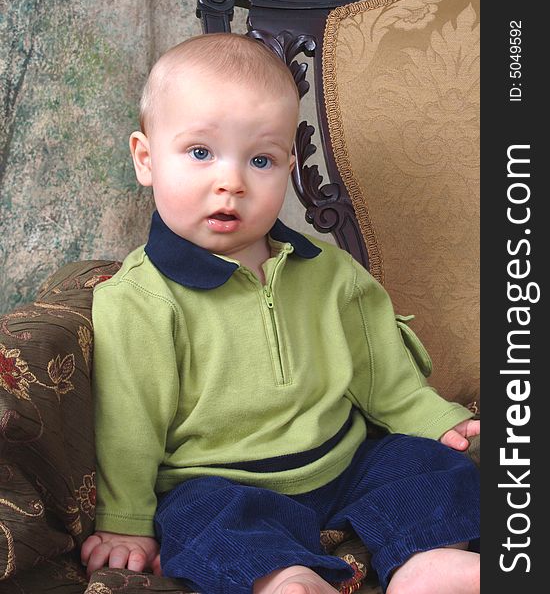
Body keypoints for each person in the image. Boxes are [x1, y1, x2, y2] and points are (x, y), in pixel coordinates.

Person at [81, 33, 480, 594]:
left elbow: (379, 370)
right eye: (200, 152)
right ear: (146, 159)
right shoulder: (139, 299)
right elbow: (129, 426)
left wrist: (432, 418)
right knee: (199, 523)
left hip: (343, 465)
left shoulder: (329, 273)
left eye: (260, 159)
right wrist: (124, 520)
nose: (231, 181)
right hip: (222, 483)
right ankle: (286, 580)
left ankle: (429, 563)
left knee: (428, 467)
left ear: (288, 168)